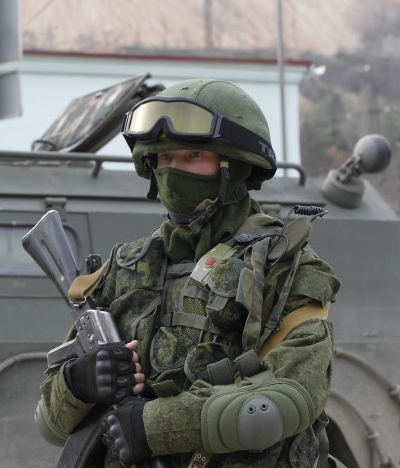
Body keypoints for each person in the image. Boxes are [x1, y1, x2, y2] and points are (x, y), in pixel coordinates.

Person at [36, 79, 343, 467]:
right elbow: (49, 425)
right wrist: (78, 383)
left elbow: (282, 402)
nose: (174, 170)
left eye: (193, 155)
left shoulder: (285, 264)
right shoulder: (126, 267)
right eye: (165, 158)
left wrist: (153, 427)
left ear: (235, 166)